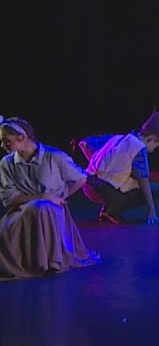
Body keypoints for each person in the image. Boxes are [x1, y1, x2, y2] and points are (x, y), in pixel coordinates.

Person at [0, 118, 101, 278]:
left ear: (22, 137)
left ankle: (50, 262)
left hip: (49, 210)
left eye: (6, 141)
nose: (2, 145)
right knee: (16, 221)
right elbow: (8, 198)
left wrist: (60, 197)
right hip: (21, 209)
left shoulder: (53, 156)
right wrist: (42, 196)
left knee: (42, 207)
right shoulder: (6, 163)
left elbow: (81, 178)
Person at [83, 110, 159, 224]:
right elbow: (143, 181)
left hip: (87, 185)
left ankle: (107, 209)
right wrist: (151, 211)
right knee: (156, 189)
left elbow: (85, 143)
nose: (152, 151)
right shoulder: (139, 148)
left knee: (126, 182)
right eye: (155, 146)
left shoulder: (119, 138)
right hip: (104, 190)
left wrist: (98, 167)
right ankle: (111, 210)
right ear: (150, 139)